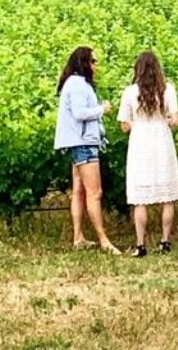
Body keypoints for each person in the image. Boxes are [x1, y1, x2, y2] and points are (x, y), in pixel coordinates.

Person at [54, 46, 120, 255]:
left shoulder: (72, 84)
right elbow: (80, 112)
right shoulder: (79, 85)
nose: (95, 66)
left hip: (78, 142)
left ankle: (78, 237)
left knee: (79, 192)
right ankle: (104, 240)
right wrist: (102, 109)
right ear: (85, 63)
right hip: (84, 143)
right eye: (93, 61)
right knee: (95, 192)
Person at [117, 51, 178, 258]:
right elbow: (175, 120)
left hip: (140, 142)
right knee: (167, 196)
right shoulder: (167, 89)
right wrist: (165, 121)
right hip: (161, 140)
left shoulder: (129, 92)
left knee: (139, 199)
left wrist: (137, 124)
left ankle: (140, 244)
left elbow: (124, 125)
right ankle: (164, 241)